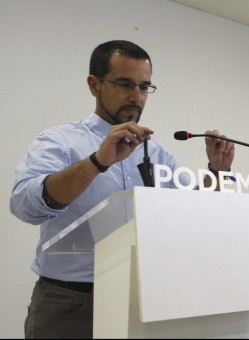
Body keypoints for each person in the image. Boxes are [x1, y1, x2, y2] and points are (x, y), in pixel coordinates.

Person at [10, 40, 235, 339]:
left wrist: (217, 171)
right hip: (71, 305)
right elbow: (25, 206)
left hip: (142, 301)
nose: (136, 96)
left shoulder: (158, 154)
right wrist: (96, 162)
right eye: (124, 84)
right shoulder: (58, 141)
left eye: (144, 87)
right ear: (94, 85)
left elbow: (190, 216)